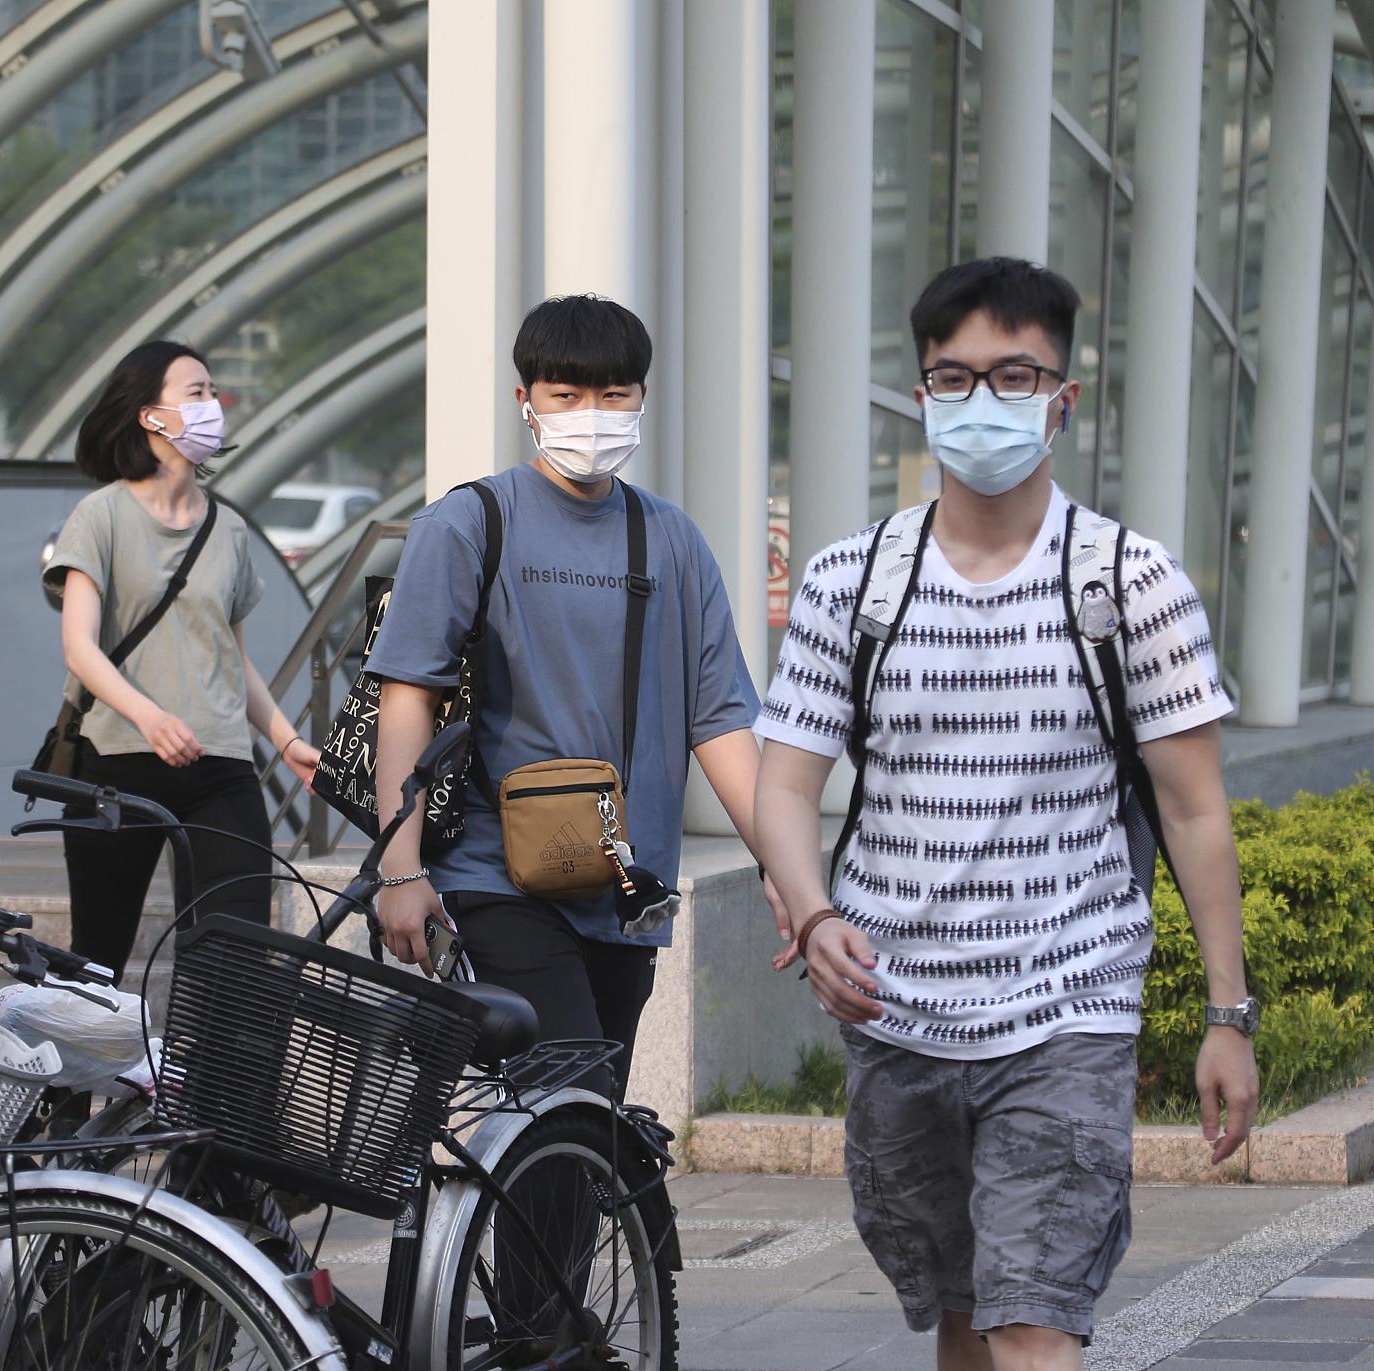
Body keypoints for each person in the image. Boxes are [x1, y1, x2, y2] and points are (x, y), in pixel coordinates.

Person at [755, 257, 1258, 1369]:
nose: (981, 401)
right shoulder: (853, 583)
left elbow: (1193, 814)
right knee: (961, 1313)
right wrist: (808, 905)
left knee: (1034, 1317)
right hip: (894, 1010)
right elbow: (783, 782)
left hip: (1065, 1005)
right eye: (953, 377)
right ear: (921, 392)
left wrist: (1229, 1018)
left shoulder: (1130, 584)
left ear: (1062, 399)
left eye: (1013, 374)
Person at [365, 294, 771, 1094]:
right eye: (567, 395)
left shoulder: (674, 539)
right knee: (571, 1097)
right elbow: (406, 698)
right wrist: (400, 872)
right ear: (527, 403)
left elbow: (718, 719)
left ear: (642, 400)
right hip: (495, 875)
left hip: (624, 884)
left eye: (615, 395)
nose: (593, 414)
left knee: (580, 1141)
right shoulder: (469, 523)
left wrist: (789, 874)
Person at [45, 340, 321, 973]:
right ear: (151, 415)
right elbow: (79, 649)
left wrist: (284, 740)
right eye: (194, 393)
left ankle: (208, 1075)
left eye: (212, 392)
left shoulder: (228, 528)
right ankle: (72, 1077)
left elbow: (232, 660)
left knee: (236, 955)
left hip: (220, 765)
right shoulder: (101, 515)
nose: (212, 405)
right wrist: (151, 718)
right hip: (115, 762)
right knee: (98, 957)